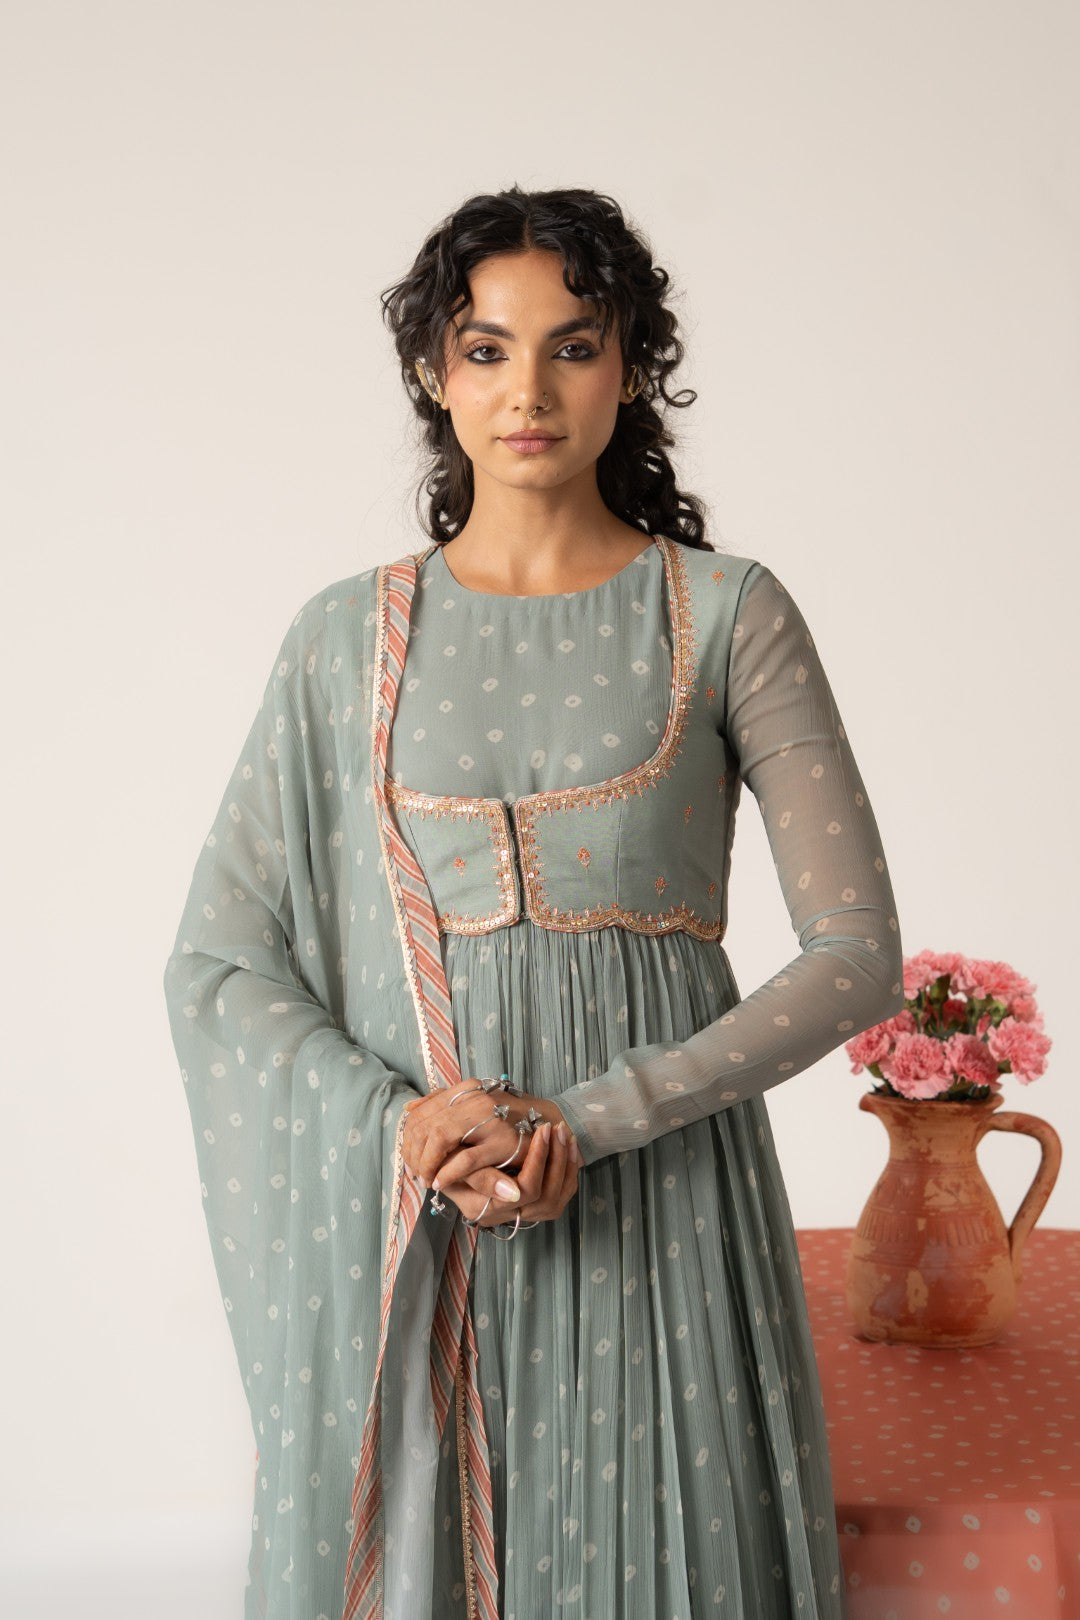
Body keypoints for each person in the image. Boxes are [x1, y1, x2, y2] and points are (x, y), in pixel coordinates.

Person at [163, 183, 903, 1620]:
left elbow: (857, 953)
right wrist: (408, 1129)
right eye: (487, 348)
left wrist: (594, 1118)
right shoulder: (342, 642)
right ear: (433, 371)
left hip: (667, 1215)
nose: (530, 391)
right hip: (429, 1221)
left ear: (631, 366)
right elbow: (222, 965)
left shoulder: (728, 612)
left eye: (574, 345)